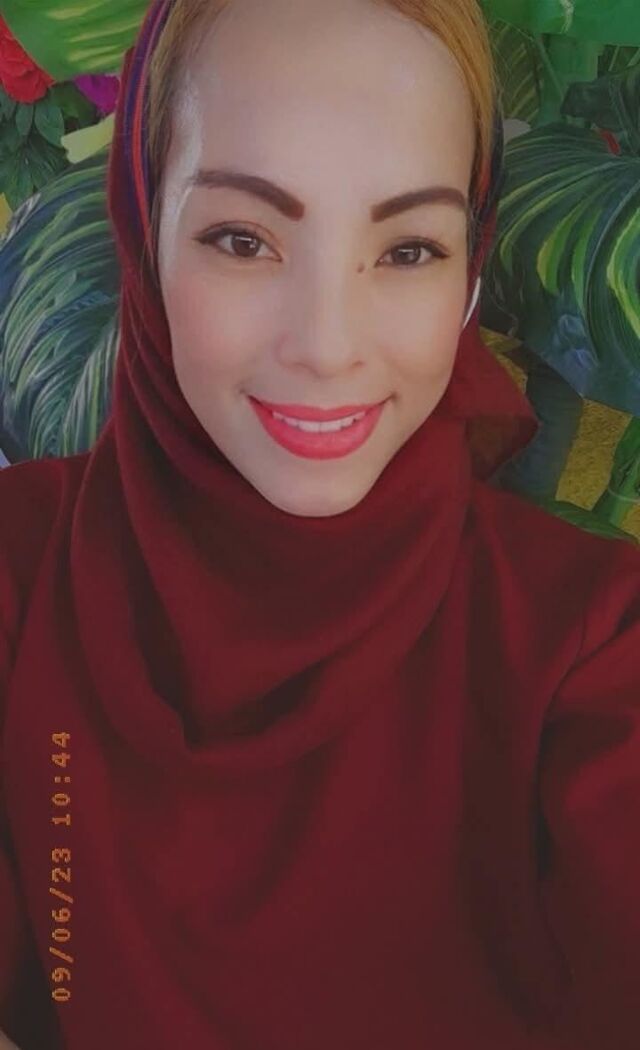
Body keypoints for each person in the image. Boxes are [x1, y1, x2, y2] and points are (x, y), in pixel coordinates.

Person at [0, 0, 638, 1047]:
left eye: (409, 250)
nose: (327, 345)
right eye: (243, 239)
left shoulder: (595, 644)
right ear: (143, 234)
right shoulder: (19, 573)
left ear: (470, 273)